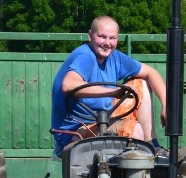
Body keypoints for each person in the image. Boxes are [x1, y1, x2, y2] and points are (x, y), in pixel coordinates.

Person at [51, 16, 167, 156]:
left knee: (140, 81)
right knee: (135, 130)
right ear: (90, 36)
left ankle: (152, 145)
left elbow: (150, 72)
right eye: (102, 37)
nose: (107, 43)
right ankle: (139, 171)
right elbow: (68, 85)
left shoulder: (115, 58)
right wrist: (112, 92)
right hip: (76, 131)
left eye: (112, 38)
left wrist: (166, 106)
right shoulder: (85, 57)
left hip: (103, 120)